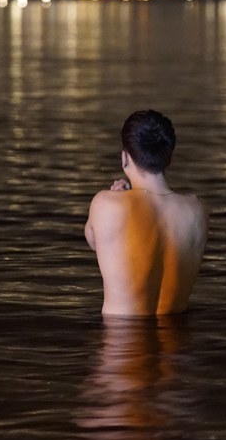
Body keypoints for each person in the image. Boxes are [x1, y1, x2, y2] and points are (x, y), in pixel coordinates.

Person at [85, 110, 209, 316]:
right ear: (168, 156)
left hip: (123, 341)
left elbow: (96, 244)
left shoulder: (106, 204)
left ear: (125, 157)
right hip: (177, 341)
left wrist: (119, 197)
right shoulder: (198, 210)